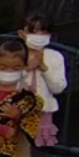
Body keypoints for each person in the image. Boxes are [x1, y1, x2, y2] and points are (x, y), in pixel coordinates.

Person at [19, 13, 67, 147]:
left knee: (37, 149)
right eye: (33, 31)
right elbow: (6, 80)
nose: (39, 36)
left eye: (44, 32)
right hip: (17, 109)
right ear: (22, 33)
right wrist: (27, 68)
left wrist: (43, 68)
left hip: (43, 111)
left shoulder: (55, 57)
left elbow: (58, 88)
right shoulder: (15, 53)